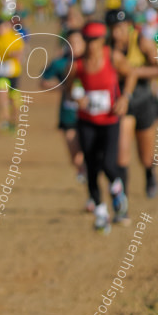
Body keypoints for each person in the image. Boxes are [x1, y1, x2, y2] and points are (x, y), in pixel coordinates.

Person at [67, 22, 136, 233]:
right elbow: (69, 87)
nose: (92, 45)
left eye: (96, 40)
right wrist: (77, 97)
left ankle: (117, 190)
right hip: (87, 121)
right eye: (88, 40)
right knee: (92, 168)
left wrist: (125, 97)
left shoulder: (112, 57)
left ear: (102, 40)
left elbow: (131, 74)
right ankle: (100, 212)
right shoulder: (78, 64)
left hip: (110, 121)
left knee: (108, 163)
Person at [107, 10, 158, 199]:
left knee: (145, 153)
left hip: (144, 100)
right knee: (122, 152)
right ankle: (123, 196)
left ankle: (149, 174)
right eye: (113, 29)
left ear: (128, 26)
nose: (116, 33)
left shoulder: (142, 42)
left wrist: (134, 72)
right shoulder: (108, 48)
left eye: (120, 28)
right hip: (122, 102)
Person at [41, 29, 86, 185]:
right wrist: (64, 87)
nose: (74, 46)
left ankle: (92, 193)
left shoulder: (91, 63)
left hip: (90, 114)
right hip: (68, 114)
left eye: (78, 42)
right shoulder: (60, 63)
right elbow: (43, 81)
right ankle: (83, 172)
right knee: (75, 154)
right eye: (71, 43)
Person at [0, 15, 24, 132]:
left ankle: (14, 121)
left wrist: (14, 55)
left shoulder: (15, 37)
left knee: (14, 99)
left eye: (2, 26)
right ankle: (5, 121)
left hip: (13, 72)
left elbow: (20, 54)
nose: (0, 29)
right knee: (2, 95)